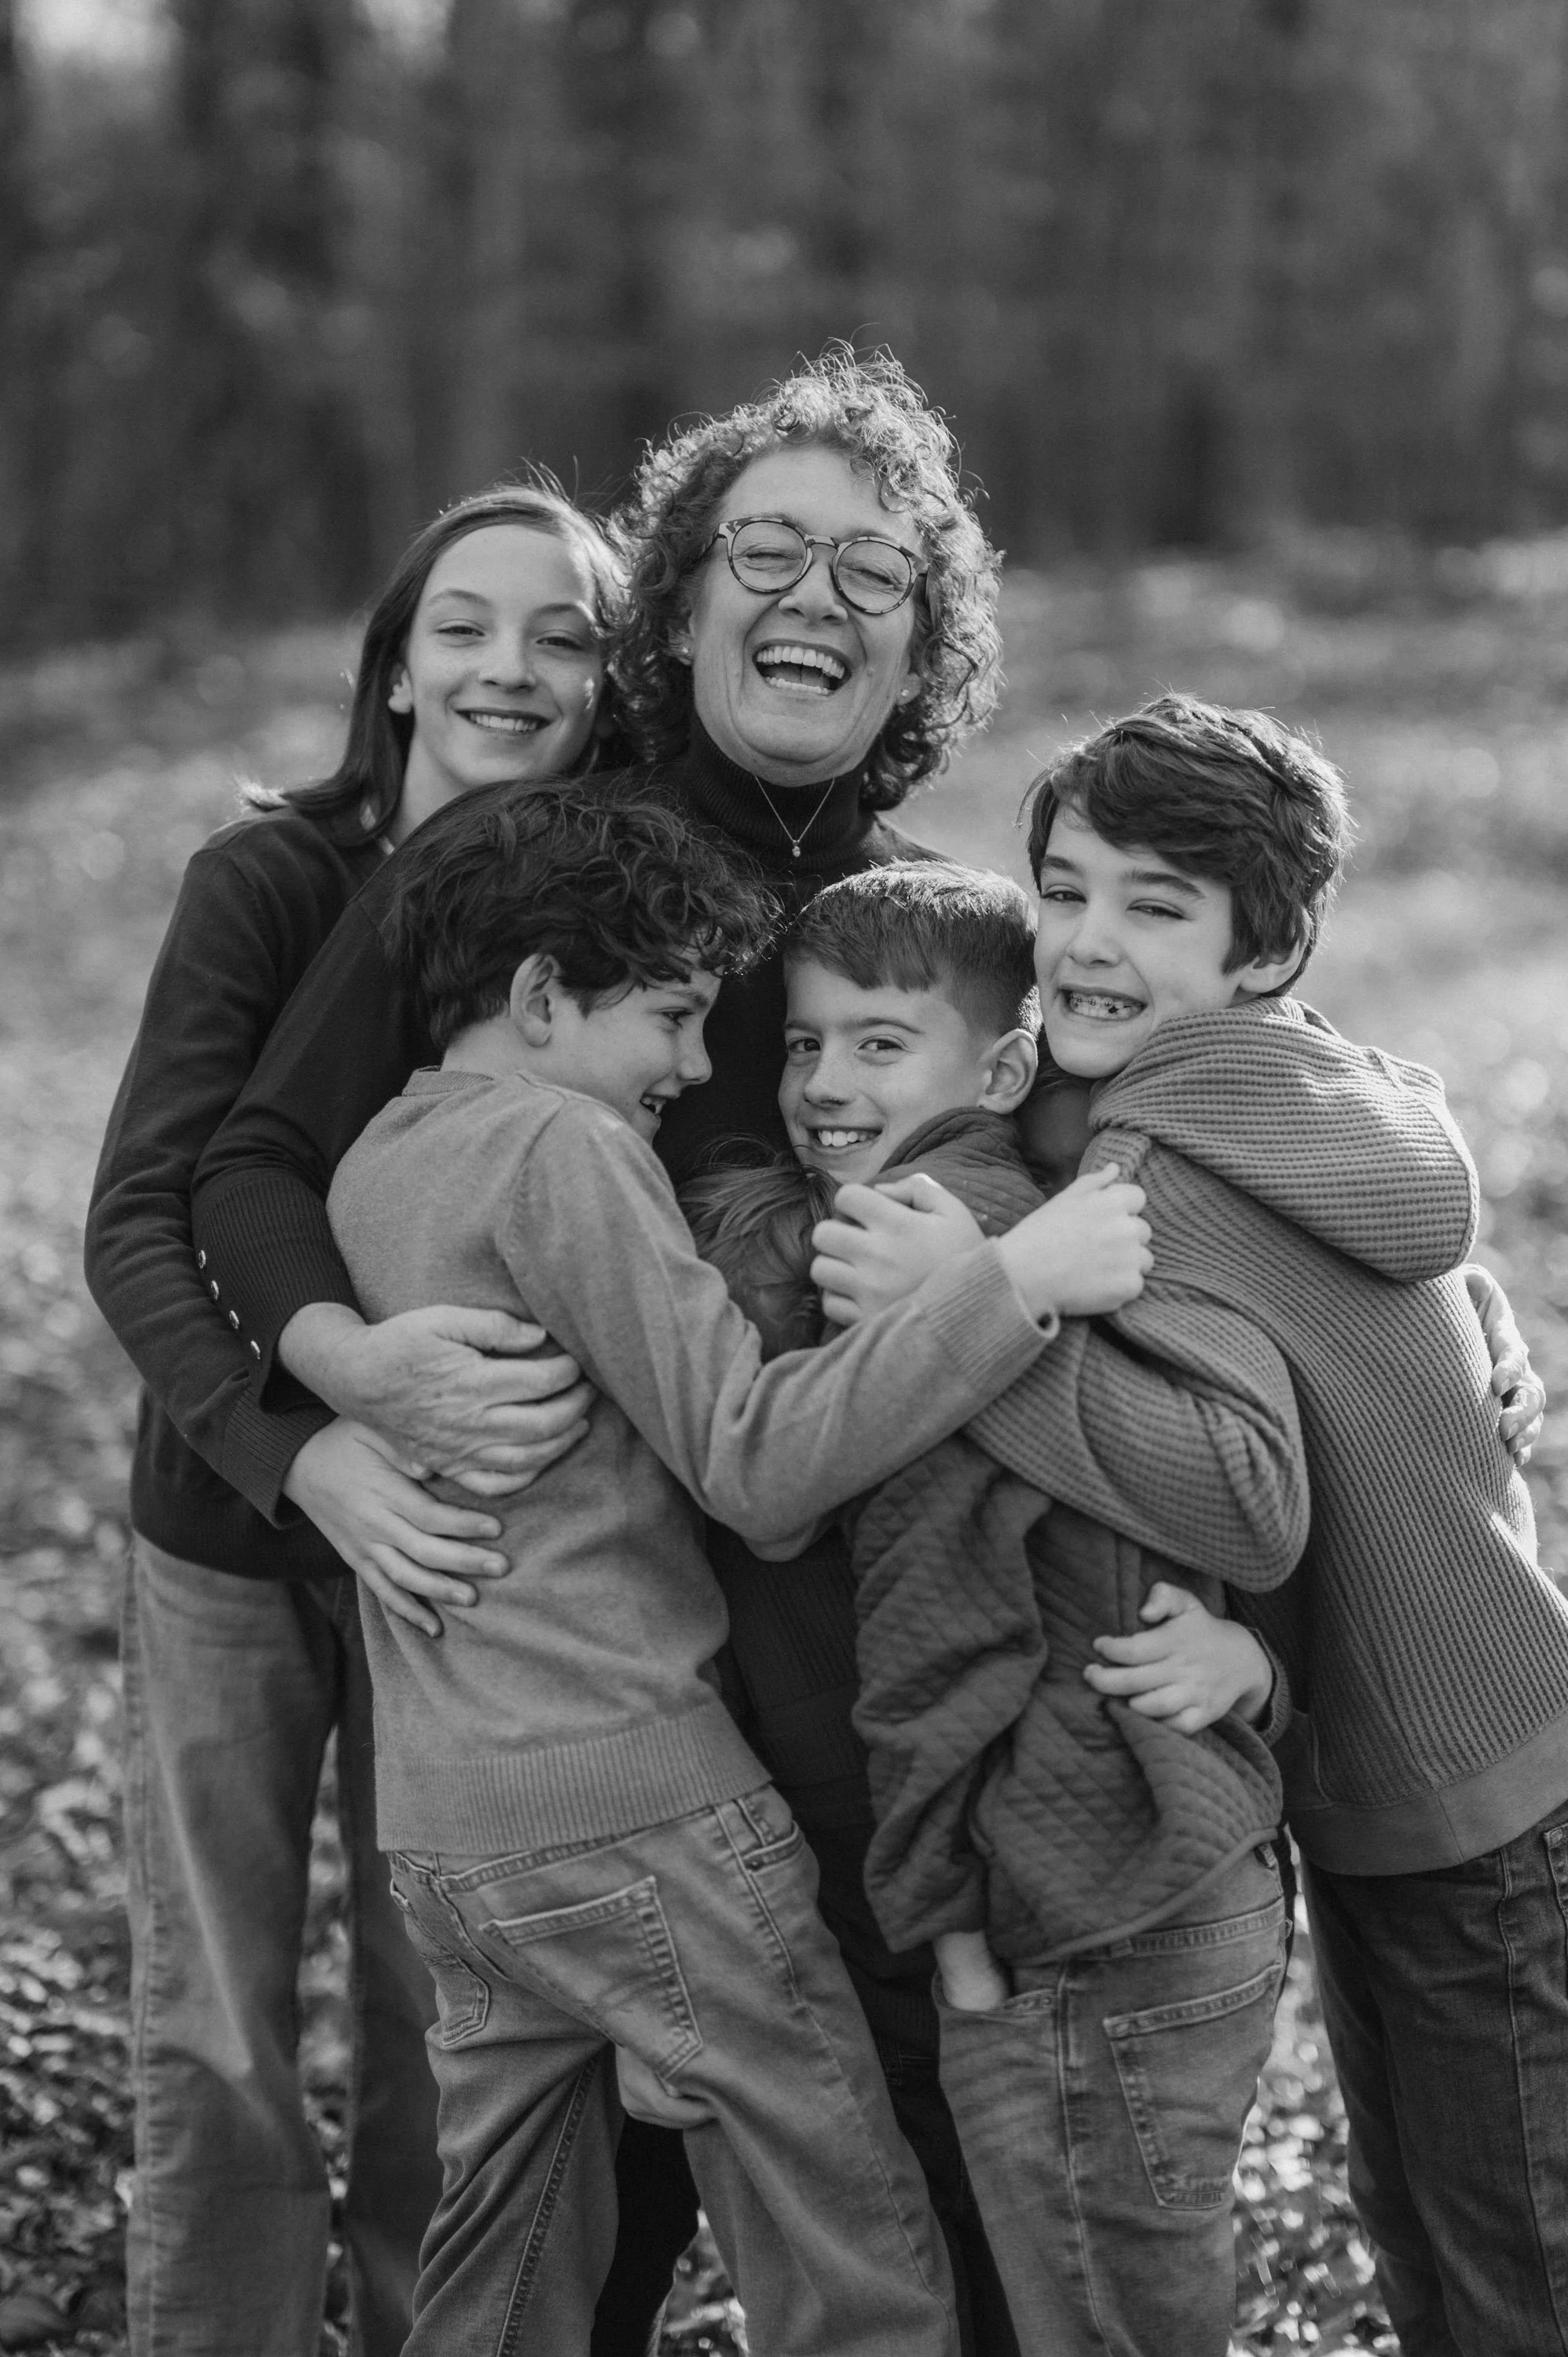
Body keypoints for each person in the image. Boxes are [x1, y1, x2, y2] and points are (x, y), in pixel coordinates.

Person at [189, 347, 1032, 2352]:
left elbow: (1081, 1121)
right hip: (615, 1674)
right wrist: (331, 1394)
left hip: (847, 1645)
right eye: (767, 550)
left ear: (922, 635)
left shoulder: (909, 904)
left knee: (836, 2147)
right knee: (712, 2205)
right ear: (678, 591)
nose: (816, 597)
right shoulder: (541, 874)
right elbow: (243, 1169)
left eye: (874, 570)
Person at [323, 775, 1152, 2355]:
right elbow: (755, 1470)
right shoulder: (562, 1148)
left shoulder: (378, 1156)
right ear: (542, 998)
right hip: (637, 1798)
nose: (702, 1067)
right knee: (856, 2258)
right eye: (672, 1016)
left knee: (503, 2270)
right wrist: (1006, 1288)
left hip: (449, 1822)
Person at [811, 695, 1567, 2357]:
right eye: (1064, 890)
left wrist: (973, 1306)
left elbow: (1240, 1484)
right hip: (1458, 1739)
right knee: (1432, 2224)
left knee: (1505, 2262)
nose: (1087, 941)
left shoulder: (1171, 1150)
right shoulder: (1302, 1081)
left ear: (1265, 950)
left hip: (1455, 1794)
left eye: (1154, 907)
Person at [83, 478, 625, 2357]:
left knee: (451, 2006)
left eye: (563, 635)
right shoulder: (268, 878)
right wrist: (303, 1442)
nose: (509, 666)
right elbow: (141, 1223)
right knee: (217, 2016)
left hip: (465, 1550)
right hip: (233, 1529)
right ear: (393, 670)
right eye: (464, 627)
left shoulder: (588, 904)